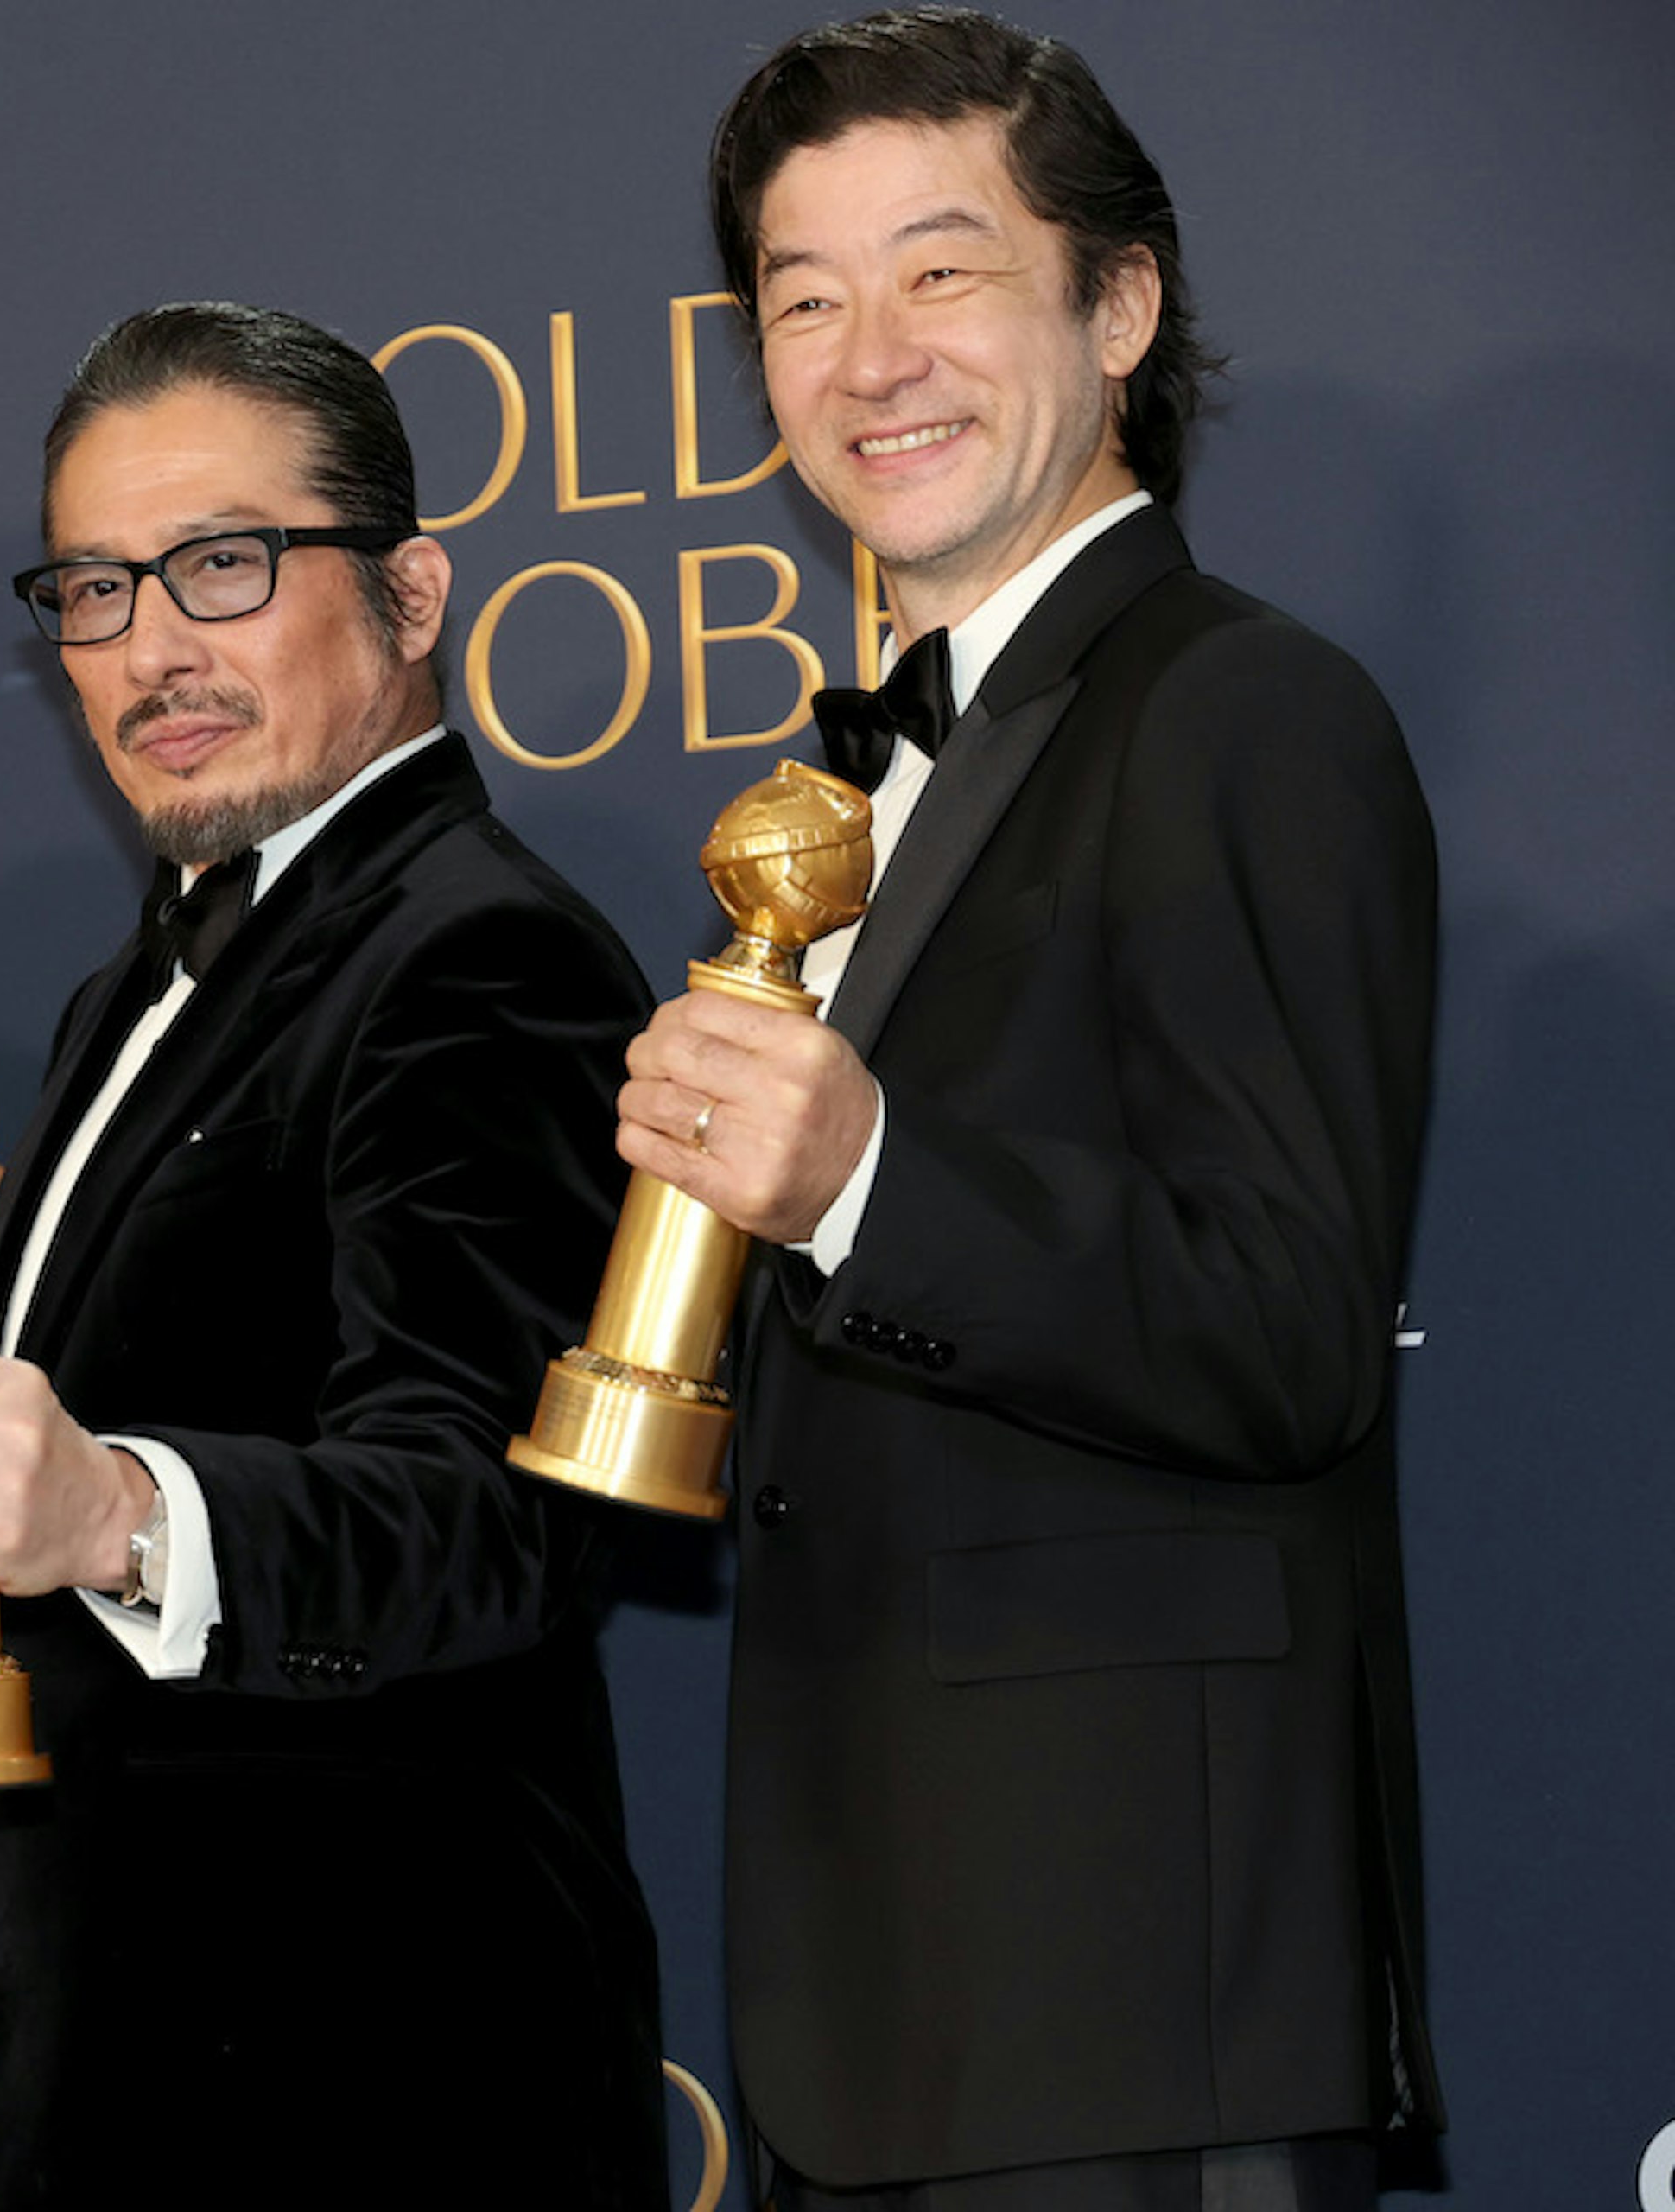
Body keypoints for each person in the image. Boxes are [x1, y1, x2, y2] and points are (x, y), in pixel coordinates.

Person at [617, 14, 1443, 2207]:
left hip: (1129, 2012)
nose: (869, 353)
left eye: (944, 270)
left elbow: (1286, 1328)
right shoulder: (851, 780)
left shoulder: (1248, 709)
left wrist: (864, 1179)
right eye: (804, 297)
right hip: (875, 2013)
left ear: (1121, 305)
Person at [0, 302, 668, 2207]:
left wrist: (115, 1510)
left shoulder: (477, 953)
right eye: (98, 592)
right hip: (140, 2072)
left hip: (380, 2080)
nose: (153, 651)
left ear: (413, 589)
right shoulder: (140, 983)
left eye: (222, 564)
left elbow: (500, 1513)